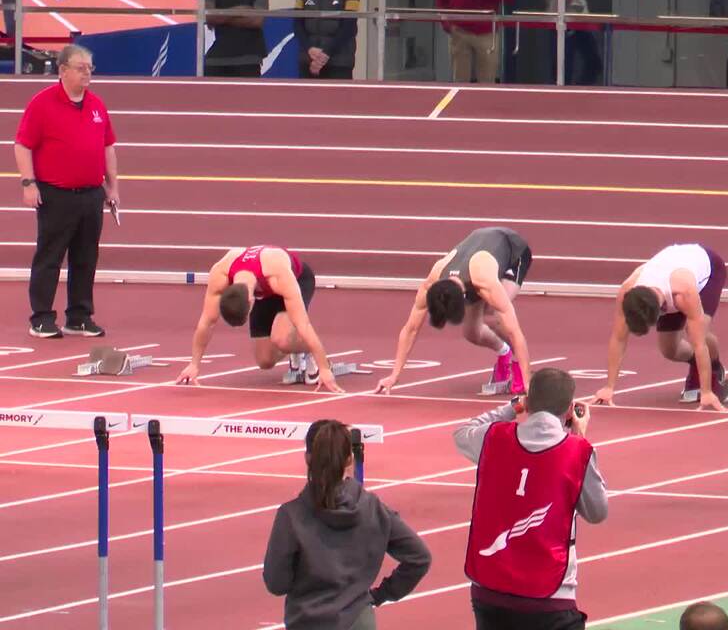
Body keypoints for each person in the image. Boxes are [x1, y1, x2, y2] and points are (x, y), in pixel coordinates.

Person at [454, 368, 607, 630]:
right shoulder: (576, 451)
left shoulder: (493, 438)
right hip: (550, 596)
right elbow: (597, 511)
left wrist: (512, 407)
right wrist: (579, 437)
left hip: (490, 589)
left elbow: (463, 432)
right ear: (570, 410)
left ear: (528, 401)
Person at [264, 419, 432, 629]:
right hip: (358, 620)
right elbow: (419, 557)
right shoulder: (373, 507)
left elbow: (276, 584)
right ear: (349, 459)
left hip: (307, 621)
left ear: (308, 458)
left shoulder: (290, 515)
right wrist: (380, 595)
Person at [15, 45, 118, 339]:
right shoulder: (42, 103)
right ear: (63, 70)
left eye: (90, 67)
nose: (87, 73)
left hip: (91, 194)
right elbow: (23, 145)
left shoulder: (97, 105)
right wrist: (28, 183)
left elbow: (108, 146)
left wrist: (113, 187)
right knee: (50, 256)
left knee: (86, 257)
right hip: (56, 194)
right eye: (81, 67)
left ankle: (79, 316)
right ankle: (41, 318)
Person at [376, 227, 533, 395]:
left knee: (496, 315)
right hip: (477, 253)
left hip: (513, 251)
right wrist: (394, 375)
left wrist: (528, 384)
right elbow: (411, 329)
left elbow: (515, 332)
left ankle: (516, 365)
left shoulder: (485, 282)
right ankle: (504, 353)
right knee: (471, 332)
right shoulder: (432, 281)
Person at [176, 245, 343, 393]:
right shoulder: (220, 274)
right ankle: (295, 351)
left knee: (282, 338)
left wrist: (324, 369)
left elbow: (304, 325)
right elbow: (206, 323)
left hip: (296, 280)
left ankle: (309, 353)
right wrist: (194, 364)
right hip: (263, 290)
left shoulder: (278, 275)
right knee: (265, 361)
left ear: (250, 301)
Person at [593, 243, 728, 411]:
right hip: (671, 270)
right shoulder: (627, 292)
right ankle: (696, 363)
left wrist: (706, 392)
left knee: (696, 332)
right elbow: (618, 338)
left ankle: (715, 366)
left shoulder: (684, 294)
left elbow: (699, 345)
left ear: (661, 311)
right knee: (669, 349)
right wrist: (609, 387)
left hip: (709, 269)